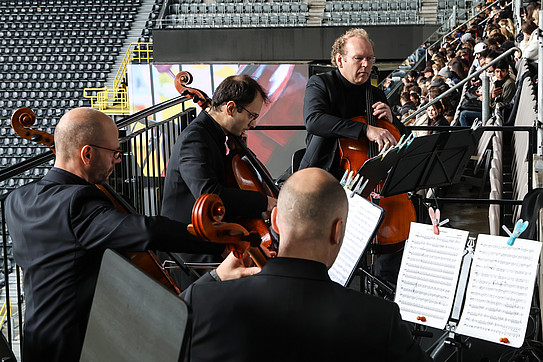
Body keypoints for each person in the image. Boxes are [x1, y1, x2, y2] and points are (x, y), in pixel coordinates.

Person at [4, 108, 230, 362]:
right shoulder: (77, 203)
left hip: (38, 345)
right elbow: (148, 230)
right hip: (80, 348)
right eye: (114, 153)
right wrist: (218, 242)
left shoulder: (17, 200)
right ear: (87, 153)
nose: (117, 160)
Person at [182, 168, 432, 362]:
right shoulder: (380, 320)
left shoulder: (204, 301)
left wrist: (213, 278)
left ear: (276, 221)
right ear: (338, 231)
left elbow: (152, 335)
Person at [160, 75, 277, 288]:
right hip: (190, 255)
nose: (253, 124)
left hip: (209, 242)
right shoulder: (195, 139)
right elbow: (211, 194)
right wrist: (264, 202)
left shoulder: (213, 135)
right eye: (252, 116)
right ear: (231, 108)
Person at [299, 28, 406, 176]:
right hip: (320, 173)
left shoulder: (376, 94)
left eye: (370, 58)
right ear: (340, 60)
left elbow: (404, 137)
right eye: (358, 58)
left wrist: (392, 121)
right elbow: (314, 120)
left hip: (362, 176)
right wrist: (366, 129)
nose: (365, 64)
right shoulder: (320, 83)